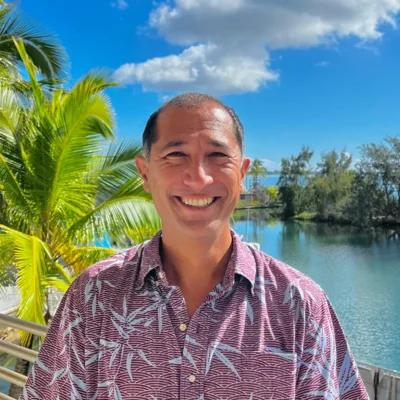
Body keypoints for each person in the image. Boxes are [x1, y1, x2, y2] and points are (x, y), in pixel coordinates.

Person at [20, 93, 368, 399]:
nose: (199, 177)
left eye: (218, 155)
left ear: (242, 173)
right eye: (176, 155)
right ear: (144, 173)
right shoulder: (94, 297)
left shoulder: (299, 304)